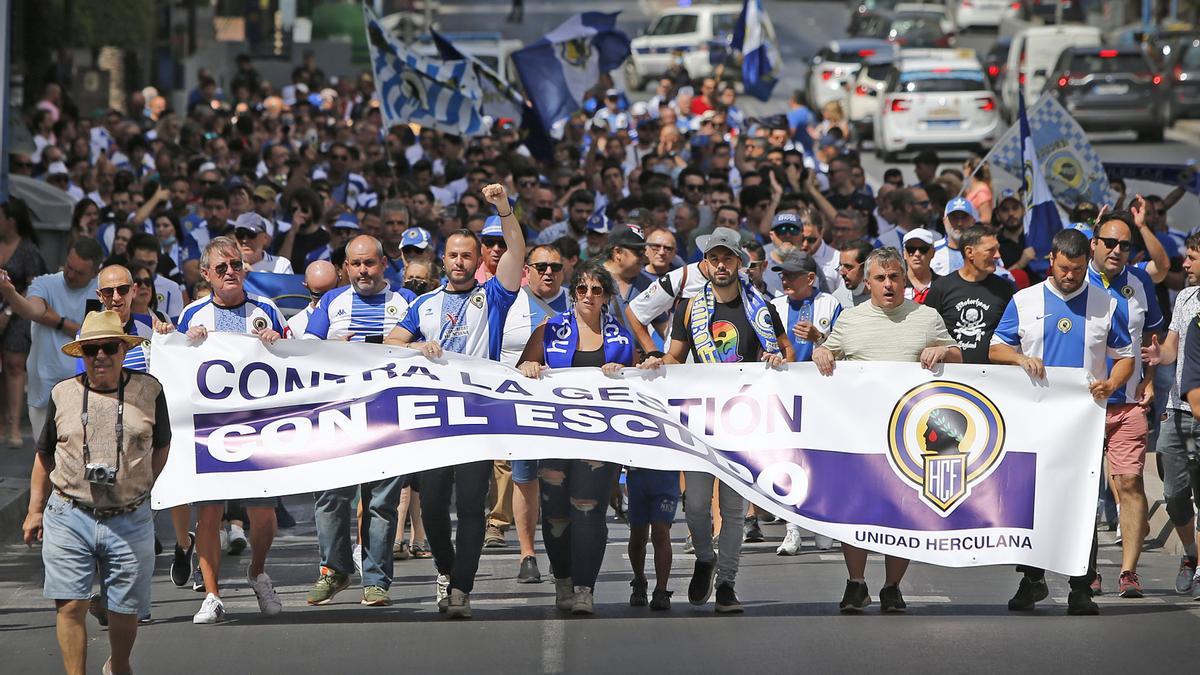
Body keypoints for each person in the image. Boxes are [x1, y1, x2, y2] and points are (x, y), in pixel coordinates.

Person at [383, 184, 526, 619]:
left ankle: (462, 588)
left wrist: (503, 208)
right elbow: (389, 345)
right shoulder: (423, 303)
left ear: (480, 259)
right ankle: (445, 569)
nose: (461, 262)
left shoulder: (495, 297)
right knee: (432, 505)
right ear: (442, 260)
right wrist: (415, 348)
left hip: (478, 419)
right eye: (454, 255)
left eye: (469, 255)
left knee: (469, 506)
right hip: (432, 418)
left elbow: (517, 250)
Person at [639, 227, 793, 613]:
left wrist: (777, 360)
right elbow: (676, 356)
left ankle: (727, 582)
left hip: (745, 419)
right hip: (703, 419)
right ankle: (705, 556)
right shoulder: (690, 307)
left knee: (734, 509)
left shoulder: (761, 307)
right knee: (694, 506)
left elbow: (785, 352)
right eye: (714, 259)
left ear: (739, 262)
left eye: (727, 258)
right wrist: (659, 361)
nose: (720, 265)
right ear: (705, 265)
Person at [989, 229, 1135, 616]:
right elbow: (996, 346)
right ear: (1051, 259)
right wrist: (1020, 359)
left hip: (1082, 422)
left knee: (1081, 504)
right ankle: (1032, 579)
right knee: (1033, 500)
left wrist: (1112, 384)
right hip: (1034, 419)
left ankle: (1081, 586)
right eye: (1065, 268)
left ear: (1088, 261)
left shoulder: (1107, 303)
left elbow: (1125, 357)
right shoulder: (1025, 299)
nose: (1071, 276)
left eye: (1079, 269)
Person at [813, 247, 962, 613]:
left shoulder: (926, 317)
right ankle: (856, 583)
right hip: (859, 434)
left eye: (895, 276)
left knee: (902, 511)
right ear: (868, 284)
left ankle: (892, 586)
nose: (889, 284)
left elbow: (960, 355)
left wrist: (943, 353)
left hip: (908, 436)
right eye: (880, 278)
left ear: (904, 279)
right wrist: (820, 352)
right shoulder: (849, 319)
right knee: (855, 509)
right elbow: (827, 353)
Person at [22, 310, 170, 675]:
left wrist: (143, 483)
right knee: (70, 606)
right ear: (82, 355)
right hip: (69, 512)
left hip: (129, 515)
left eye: (107, 348)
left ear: (122, 349)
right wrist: (34, 509)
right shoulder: (62, 393)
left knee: (123, 609)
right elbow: (44, 455)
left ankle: (119, 666)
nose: (100, 356)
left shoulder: (150, 390)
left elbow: (163, 445)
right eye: (91, 350)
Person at [169, 236, 289, 623]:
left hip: (259, 429)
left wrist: (277, 343)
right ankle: (212, 594)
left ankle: (257, 571)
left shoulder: (266, 310)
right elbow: (176, 368)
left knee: (265, 518)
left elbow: (300, 364)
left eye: (236, 265)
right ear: (206, 274)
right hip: (211, 430)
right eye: (221, 268)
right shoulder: (193, 315)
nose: (230, 272)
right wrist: (188, 345)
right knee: (209, 512)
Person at [516, 263, 635, 614]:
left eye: (596, 291)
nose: (588, 296)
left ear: (607, 298)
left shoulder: (621, 338)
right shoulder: (550, 330)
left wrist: (624, 372)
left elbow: (638, 384)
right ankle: (563, 580)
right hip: (554, 436)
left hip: (600, 439)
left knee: (588, 509)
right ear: (573, 294)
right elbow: (521, 372)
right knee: (554, 514)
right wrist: (530, 367)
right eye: (582, 289)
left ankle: (585, 587)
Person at [303, 235, 410, 607]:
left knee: (381, 503)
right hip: (337, 416)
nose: (363, 271)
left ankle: (376, 581)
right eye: (355, 264)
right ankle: (334, 572)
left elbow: (425, 348)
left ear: (383, 264)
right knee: (330, 497)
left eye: (370, 263)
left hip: (387, 416)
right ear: (345, 268)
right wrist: (331, 349)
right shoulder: (331, 302)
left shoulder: (404, 302)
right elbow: (306, 351)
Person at [1083, 208, 1163, 597]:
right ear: (1094, 244)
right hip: (1081, 405)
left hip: (1128, 401)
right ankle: (1088, 567)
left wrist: (1149, 378)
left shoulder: (1141, 281)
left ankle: (1129, 572)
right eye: (1110, 242)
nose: (1117, 250)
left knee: (1128, 481)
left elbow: (1152, 340)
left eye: (1124, 245)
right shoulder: (1073, 280)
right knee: (1083, 488)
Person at [769, 249, 842, 556]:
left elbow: (842, 347)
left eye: (792, 275)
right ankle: (792, 527)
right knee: (788, 458)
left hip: (821, 391)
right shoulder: (774, 306)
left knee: (820, 459)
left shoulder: (829, 303)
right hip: (786, 391)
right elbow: (767, 344)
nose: (784, 279)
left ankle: (822, 522)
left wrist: (819, 336)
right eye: (782, 274)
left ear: (810, 278)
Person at [1142, 231, 1200, 597]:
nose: (1185, 264)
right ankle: (1190, 556)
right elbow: (1171, 350)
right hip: (1176, 414)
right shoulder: (1186, 298)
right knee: (1175, 494)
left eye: (1193, 257)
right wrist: (1157, 356)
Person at [0, 238, 102, 442]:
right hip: (45, 389)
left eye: (79, 272)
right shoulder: (45, 282)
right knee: (44, 458)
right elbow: (32, 310)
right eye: (69, 267)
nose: (71, 275)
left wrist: (58, 322)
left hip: (86, 389)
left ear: (94, 273)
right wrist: (10, 292)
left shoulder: (102, 291)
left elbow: (96, 337)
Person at [924, 226, 1014, 364]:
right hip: (950, 379)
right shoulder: (941, 288)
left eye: (997, 249)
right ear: (970, 252)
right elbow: (927, 333)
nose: (998, 255)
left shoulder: (1005, 289)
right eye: (991, 250)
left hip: (993, 380)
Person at [0, 198, 48, 447]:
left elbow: (34, 286)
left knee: (14, 364)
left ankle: (14, 425)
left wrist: (9, 310)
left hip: (17, 311)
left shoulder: (28, 250)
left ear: (11, 221)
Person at [287, 260, 339, 337]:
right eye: (318, 295)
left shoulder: (350, 310)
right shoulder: (295, 325)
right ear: (306, 287)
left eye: (332, 294)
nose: (326, 300)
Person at [902, 229, 939, 303]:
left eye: (923, 249)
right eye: (911, 249)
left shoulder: (944, 285)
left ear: (933, 252)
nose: (917, 254)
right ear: (904, 254)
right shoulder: (895, 285)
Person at [833, 239, 872, 308]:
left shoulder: (886, 298)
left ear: (865, 266)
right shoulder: (837, 299)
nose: (842, 273)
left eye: (848, 267)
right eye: (841, 265)